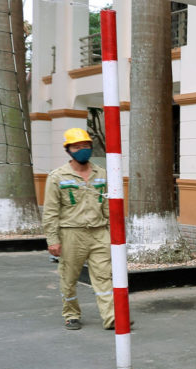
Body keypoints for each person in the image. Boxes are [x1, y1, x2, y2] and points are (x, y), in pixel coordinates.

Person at [43, 128, 115, 331]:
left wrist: (113, 233)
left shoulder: (102, 174)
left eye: (85, 146)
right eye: (77, 146)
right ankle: (71, 314)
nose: (82, 150)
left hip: (99, 232)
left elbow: (108, 206)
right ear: (68, 150)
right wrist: (52, 239)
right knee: (69, 277)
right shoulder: (57, 177)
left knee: (104, 276)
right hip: (70, 234)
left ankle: (111, 317)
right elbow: (50, 211)